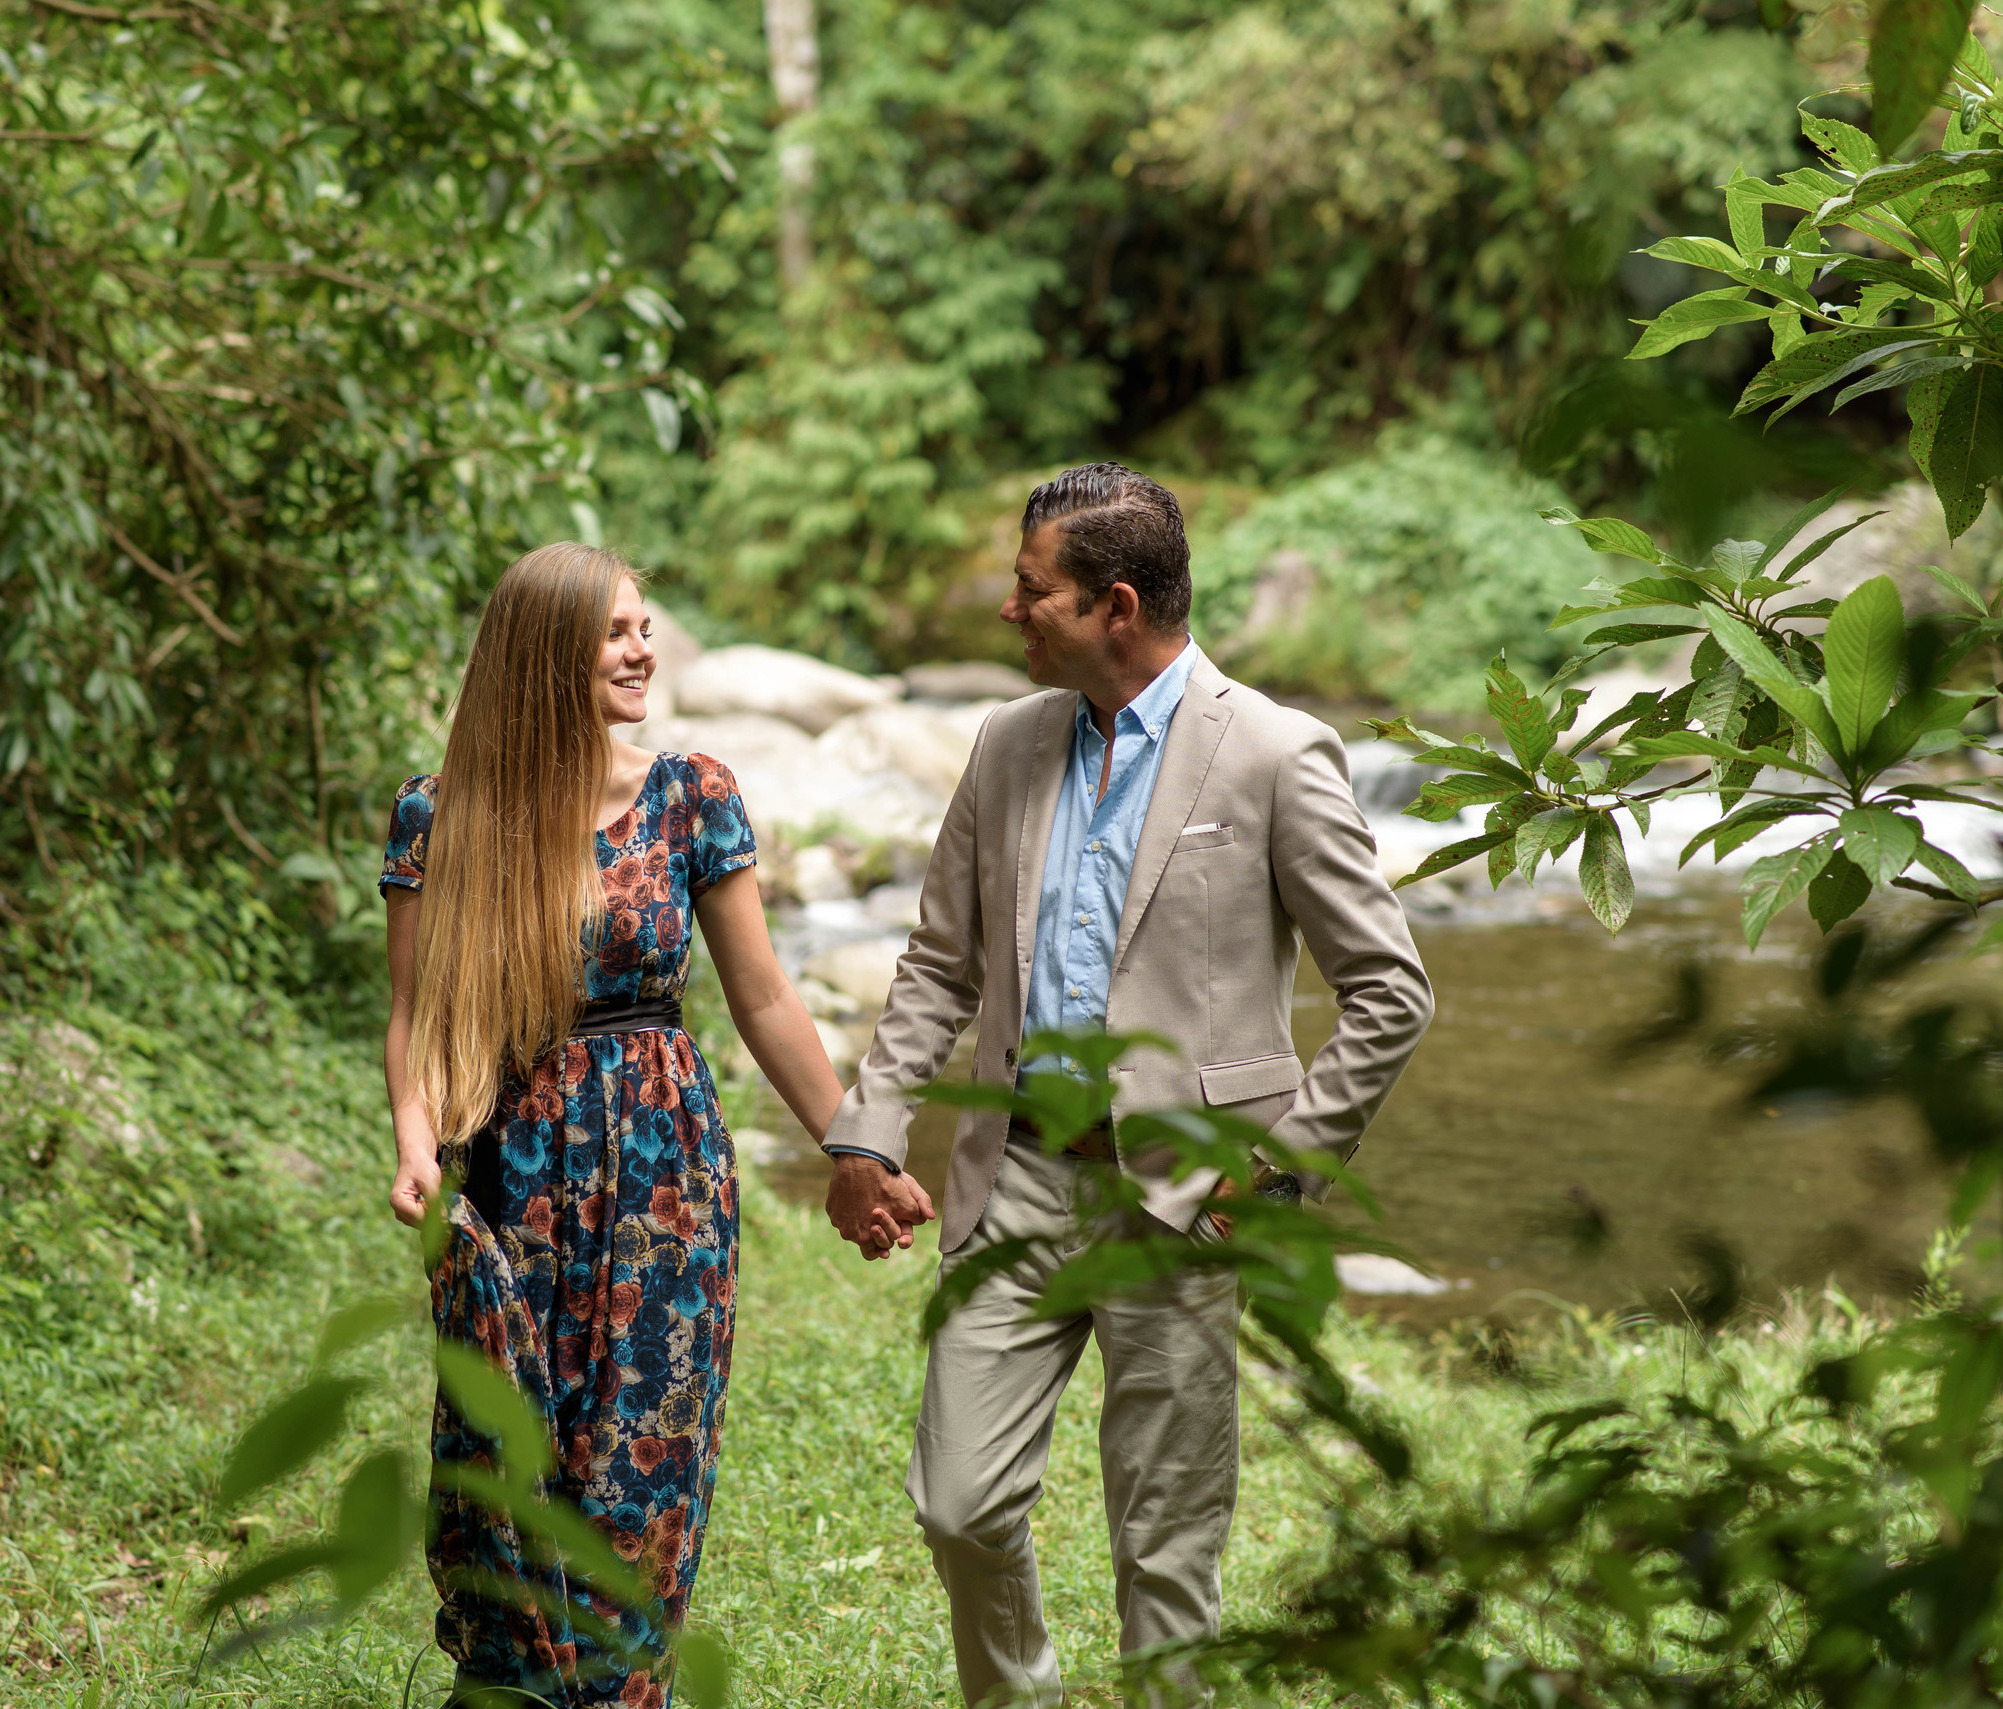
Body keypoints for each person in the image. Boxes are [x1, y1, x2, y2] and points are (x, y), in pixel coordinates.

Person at [819, 464, 1434, 1704]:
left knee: (1165, 1551)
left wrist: (1270, 1174)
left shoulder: (1272, 751)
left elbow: (1389, 989)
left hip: (1179, 1205)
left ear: (1112, 604)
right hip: (1015, 1190)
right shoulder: (1003, 743)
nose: (1008, 609)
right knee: (956, 1500)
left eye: (1028, 586)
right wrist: (866, 1132)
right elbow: (941, 962)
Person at [380, 543, 846, 1709]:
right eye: (616, 632)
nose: (644, 650)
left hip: (664, 1177)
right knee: (504, 1469)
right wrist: (413, 1139)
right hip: (513, 1184)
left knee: (641, 1470)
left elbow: (766, 997)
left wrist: (859, 1143)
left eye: (646, 627)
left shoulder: (691, 793)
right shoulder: (441, 816)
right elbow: (420, 1015)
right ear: (546, 656)